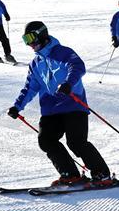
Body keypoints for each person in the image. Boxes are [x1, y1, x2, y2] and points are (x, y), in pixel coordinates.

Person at [6, 21, 112, 187]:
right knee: (46, 141)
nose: (29, 44)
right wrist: (17, 106)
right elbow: (30, 87)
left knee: (76, 143)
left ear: (42, 34)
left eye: (31, 38)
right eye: (25, 40)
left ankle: (102, 174)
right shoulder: (35, 63)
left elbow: (77, 66)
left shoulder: (63, 52)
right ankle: (70, 174)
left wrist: (69, 84)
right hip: (50, 110)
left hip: (72, 105)